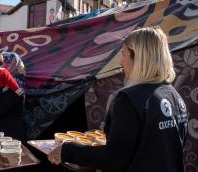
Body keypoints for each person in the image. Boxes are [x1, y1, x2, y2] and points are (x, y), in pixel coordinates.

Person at [47, 27, 189, 172]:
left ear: (139, 59)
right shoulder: (175, 96)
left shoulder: (129, 99)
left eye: (124, 55)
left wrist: (66, 150)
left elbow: (114, 158)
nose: (121, 62)